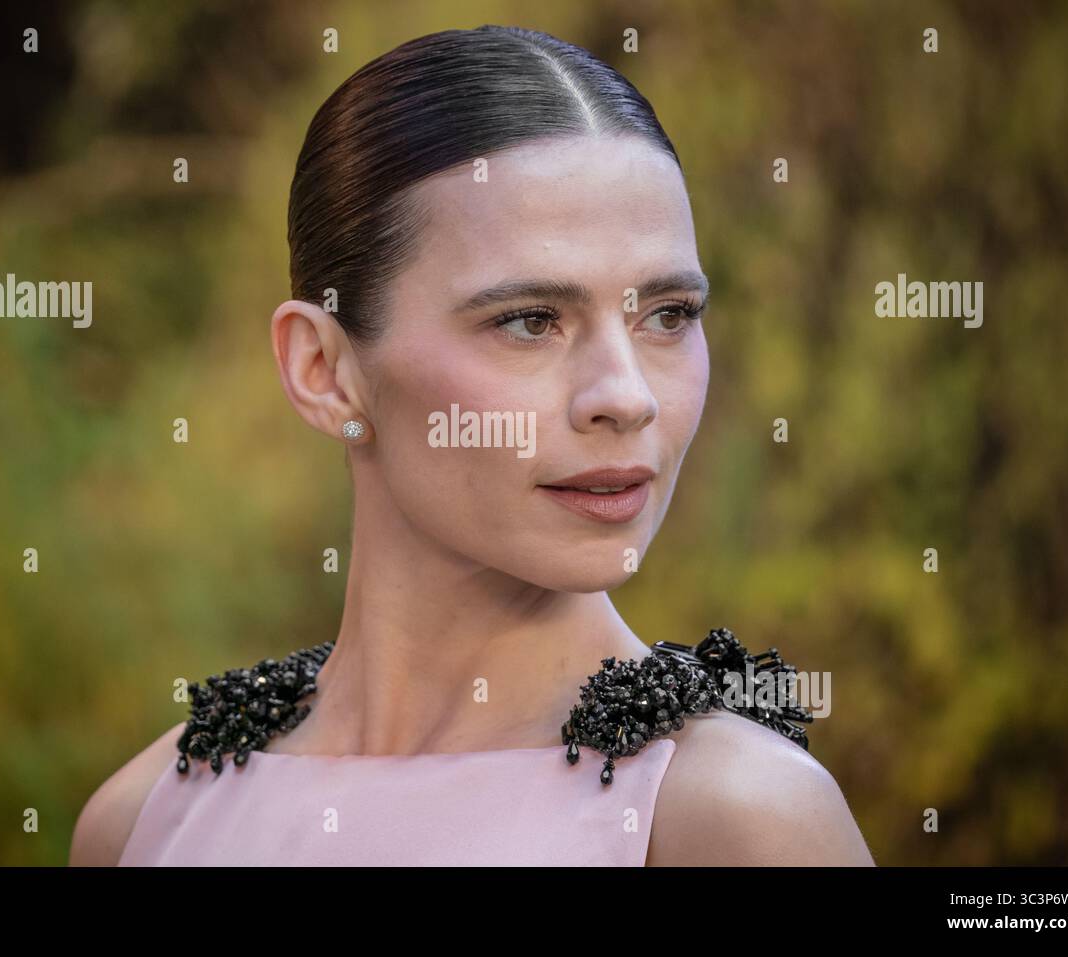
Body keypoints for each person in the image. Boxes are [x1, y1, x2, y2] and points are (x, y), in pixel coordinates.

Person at [71, 24, 875, 867]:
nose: (627, 395)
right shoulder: (147, 820)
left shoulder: (735, 817)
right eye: (530, 321)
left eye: (667, 315)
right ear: (324, 370)